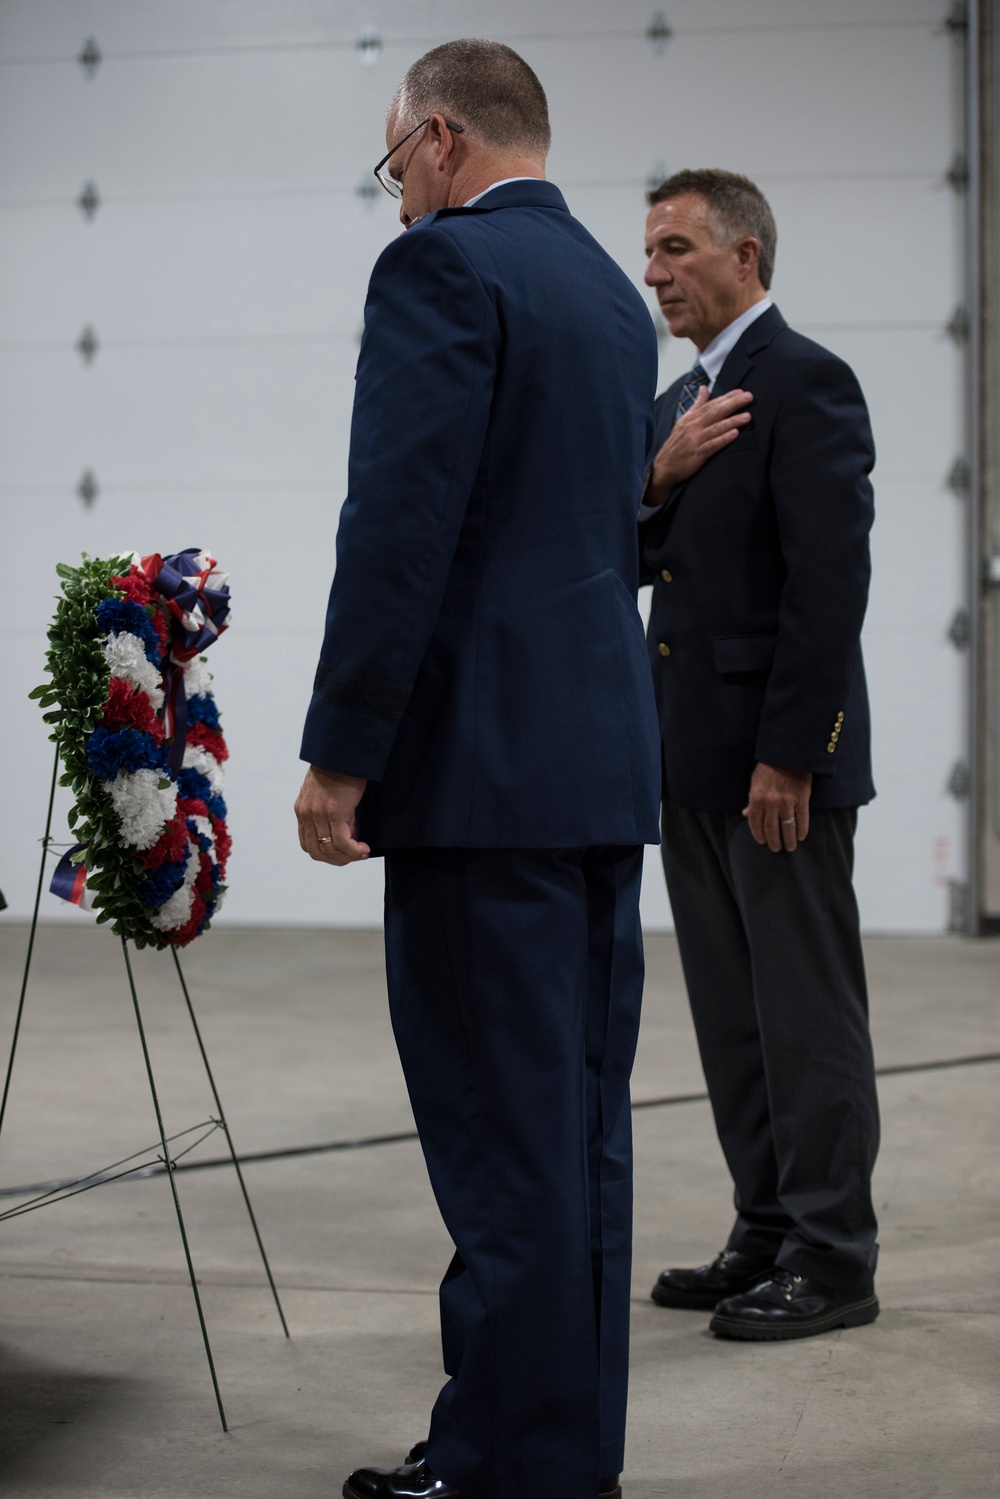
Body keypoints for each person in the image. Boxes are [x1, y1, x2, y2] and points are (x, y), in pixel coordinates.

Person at [294, 40, 661, 1499]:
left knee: (501, 1141)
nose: (397, 202)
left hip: (479, 780)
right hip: (593, 772)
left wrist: (341, 751)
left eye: (394, 169)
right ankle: (563, 1454)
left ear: (440, 138)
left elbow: (402, 527)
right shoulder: (607, 293)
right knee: (575, 1130)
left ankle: (505, 1464)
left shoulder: (443, 272)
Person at [639, 168, 881, 1341]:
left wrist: (792, 753)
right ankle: (765, 1223)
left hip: (776, 766)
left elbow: (829, 587)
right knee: (731, 1014)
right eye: (651, 252)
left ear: (745, 255)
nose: (654, 273)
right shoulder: (683, 401)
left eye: (677, 248)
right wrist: (658, 470)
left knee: (802, 1011)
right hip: (689, 758)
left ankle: (833, 1254)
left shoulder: (804, 380)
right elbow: (634, 554)